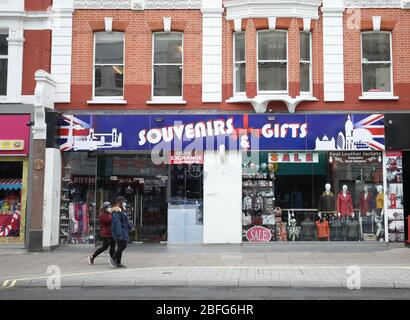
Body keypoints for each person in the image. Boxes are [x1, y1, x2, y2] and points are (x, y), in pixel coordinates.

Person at [109, 196, 132, 268]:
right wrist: (119, 234)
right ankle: (113, 259)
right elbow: (117, 223)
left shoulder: (122, 210)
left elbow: (125, 221)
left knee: (121, 246)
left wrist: (130, 226)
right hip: (120, 231)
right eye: (124, 202)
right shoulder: (116, 211)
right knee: (123, 245)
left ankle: (118, 262)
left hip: (123, 230)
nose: (125, 203)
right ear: (120, 202)